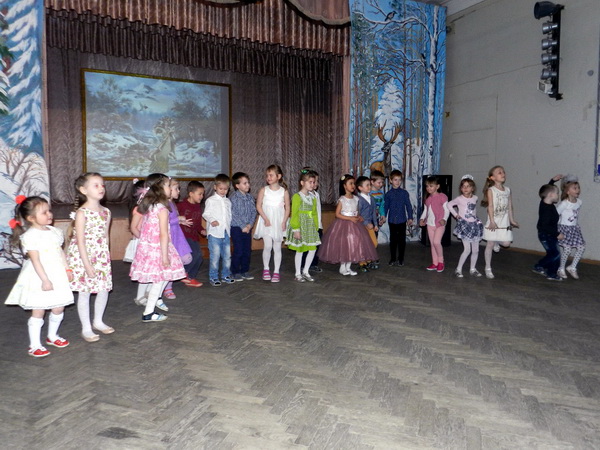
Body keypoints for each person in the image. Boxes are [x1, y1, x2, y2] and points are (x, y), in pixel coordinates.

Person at [5, 196, 74, 358]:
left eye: (49, 210)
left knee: (58, 307)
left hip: (57, 273)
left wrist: (67, 269)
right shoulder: (30, 236)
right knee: (39, 310)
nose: (49, 214)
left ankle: (53, 336)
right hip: (39, 275)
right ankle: (35, 345)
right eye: (44, 212)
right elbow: (35, 261)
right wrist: (45, 280)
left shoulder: (55, 232)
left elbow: (60, 252)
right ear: (31, 218)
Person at [130, 173, 185, 322]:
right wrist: (165, 256)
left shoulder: (148, 205)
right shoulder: (162, 209)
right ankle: (148, 312)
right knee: (160, 280)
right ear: (159, 188)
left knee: (160, 279)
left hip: (149, 248)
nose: (170, 188)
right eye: (168, 185)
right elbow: (163, 234)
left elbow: (138, 227)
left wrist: (146, 242)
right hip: (159, 249)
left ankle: (150, 304)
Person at [67, 172, 114, 342]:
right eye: (96, 185)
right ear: (83, 190)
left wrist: (106, 257)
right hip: (83, 257)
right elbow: (80, 241)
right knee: (85, 292)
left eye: (102, 185)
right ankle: (86, 328)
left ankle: (98, 321)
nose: (101, 188)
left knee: (103, 289)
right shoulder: (82, 213)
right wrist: (87, 265)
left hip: (100, 257)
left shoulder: (106, 211)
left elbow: (106, 236)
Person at [318, 174, 378, 276]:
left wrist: (359, 217)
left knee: (353, 245)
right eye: (350, 183)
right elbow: (337, 214)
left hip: (355, 225)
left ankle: (348, 267)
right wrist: (349, 218)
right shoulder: (342, 199)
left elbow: (356, 211)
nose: (353, 185)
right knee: (344, 245)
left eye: (354, 183)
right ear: (344, 186)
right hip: (343, 225)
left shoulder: (356, 198)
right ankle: (342, 267)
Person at [253, 164, 290, 283]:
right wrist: (265, 218)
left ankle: (276, 271)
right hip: (266, 222)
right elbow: (258, 206)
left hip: (278, 222)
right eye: (267, 175)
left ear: (278, 176)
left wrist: (284, 221)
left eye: (271, 175)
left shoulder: (284, 191)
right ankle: (266, 269)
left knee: (277, 247)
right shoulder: (264, 190)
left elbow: (288, 208)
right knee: (268, 246)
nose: (268, 177)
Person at [481, 166, 519, 279]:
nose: (503, 174)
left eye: (503, 172)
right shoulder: (491, 190)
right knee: (490, 244)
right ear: (492, 177)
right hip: (494, 221)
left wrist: (512, 220)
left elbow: (510, 206)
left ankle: (497, 242)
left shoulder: (508, 190)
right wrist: (492, 221)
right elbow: (490, 206)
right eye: (499, 172)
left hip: (504, 222)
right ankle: (488, 268)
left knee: (506, 243)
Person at [285, 169, 320, 282]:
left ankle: (306, 271)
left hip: (310, 227)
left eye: (313, 182)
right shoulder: (297, 196)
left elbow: (314, 213)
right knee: (300, 250)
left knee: (312, 249)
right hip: (300, 226)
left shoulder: (313, 197)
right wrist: (296, 229)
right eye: (310, 182)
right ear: (302, 183)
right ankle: (298, 273)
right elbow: (294, 214)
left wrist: (316, 226)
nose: (312, 184)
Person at [162, 178, 194, 299]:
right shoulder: (164, 205)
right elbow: (164, 222)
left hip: (177, 235)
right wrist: (178, 219)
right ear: (168, 190)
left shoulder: (172, 203)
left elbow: (172, 220)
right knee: (170, 262)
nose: (179, 191)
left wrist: (181, 221)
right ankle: (167, 287)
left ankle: (178, 271)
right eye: (176, 189)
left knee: (187, 258)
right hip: (170, 237)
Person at [446, 175, 484, 277]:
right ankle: (458, 269)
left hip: (474, 225)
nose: (465, 188)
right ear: (461, 188)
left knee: (476, 250)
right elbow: (449, 205)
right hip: (464, 225)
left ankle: (473, 269)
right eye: (463, 186)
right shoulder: (459, 199)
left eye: (468, 186)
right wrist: (456, 215)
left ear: (472, 188)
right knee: (467, 250)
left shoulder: (475, 198)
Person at [203, 174, 235, 286]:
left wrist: (229, 227)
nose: (223, 191)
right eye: (221, 188)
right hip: (215, 233)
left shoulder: (228, 201)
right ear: (215, 187)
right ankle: (214, 277)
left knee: (227, 256)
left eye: (226, 189)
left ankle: (226, 275)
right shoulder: (210, 200)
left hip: (225, 232)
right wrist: (212, 220)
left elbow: (229, 216)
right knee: (215, 257)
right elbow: (206, 213)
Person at [533, 181, 564, 281]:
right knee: (555, 254)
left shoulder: (545, 202)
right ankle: (540, 266)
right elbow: (545, 226)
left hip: (550, 234)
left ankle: (551, 273)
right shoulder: (546, 209)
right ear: (551, 195)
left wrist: (552, 180)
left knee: (554, 254)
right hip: (546, 235)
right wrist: (557, 234)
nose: (558, 195)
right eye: (557, 193)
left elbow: (546, 190)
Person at [176, 181, 205, 288]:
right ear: (191, 194)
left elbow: (197, 224)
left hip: (193, 236)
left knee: (199, 257)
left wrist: (202, 230)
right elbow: (172, 219)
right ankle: (183, 273)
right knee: (195, 255)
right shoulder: (181, 205)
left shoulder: (198, 207)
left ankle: (190, 277)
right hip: (183, 236)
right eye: (200, 194)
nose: (202, 196)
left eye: (203, 194)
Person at [229, 172, 257, 282]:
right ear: (237, 185)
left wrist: (250, 225)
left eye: (248, 182)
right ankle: (235, 272)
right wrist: (242, 226)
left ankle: (244, 270)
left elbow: (253, 212)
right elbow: (233, 214)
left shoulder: (250, 197)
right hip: (237, 228)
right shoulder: (233, 198)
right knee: (238, 250)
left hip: (247, 228)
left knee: (247, 250)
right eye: (244, 183)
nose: (248, 185)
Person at [556, 174, 585, 279]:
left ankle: (572, 267)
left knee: (581, 247)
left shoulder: (579, 202)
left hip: (574, 229)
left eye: (578, 188)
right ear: (568, 191)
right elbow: (555, 215)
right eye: (575, 188)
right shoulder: (564, 204)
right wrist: (556, 230)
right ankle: (561, 269)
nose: (578, 190)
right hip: (564, 228)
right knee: (567, 249)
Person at [419, 175, 449, 273]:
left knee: (436, 242)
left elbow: (447, 210)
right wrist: (422, 219)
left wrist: (444, 219)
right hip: (430, 224)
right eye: (427, 186)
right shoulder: (427, 199)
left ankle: (441, 261)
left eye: (431, 186)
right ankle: (435, 263)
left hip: (439, 224)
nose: (429, 188)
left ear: (437, 186)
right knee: (432, 244)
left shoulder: (442, 197)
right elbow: (425, 211)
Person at [384, 170, 413, 266]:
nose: (397, 182)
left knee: (401, 240)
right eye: (395, 180)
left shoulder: (404, 193)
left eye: (399, 180)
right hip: (392, 221)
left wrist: (410, 217)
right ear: (390, 180)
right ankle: (393, 258)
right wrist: (383, 216)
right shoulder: (388, 194)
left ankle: (401, 258)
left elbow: (408, 206)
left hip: (402, 220)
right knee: (393, 240)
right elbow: (385, 207)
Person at [302, 168, 323, 273]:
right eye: (313, 181)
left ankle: (313, 264)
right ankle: (303, 265)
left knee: (316, 246)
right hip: (309, 225)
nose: (315, 183)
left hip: (318, 225)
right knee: (306, 247)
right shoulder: (306, 196)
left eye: (316, 181)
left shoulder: (316, 194)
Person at [356, 176, 379, 272]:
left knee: (373, 243)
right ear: (360, 188)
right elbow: (357, 214)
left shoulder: (372, 198)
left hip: (370, 225)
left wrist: (375, 224)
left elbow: (373, 212)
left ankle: (368, 260)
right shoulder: (359, 199)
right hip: (361, 226)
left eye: (370, 185)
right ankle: (362, 263)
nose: (369, 187)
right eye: (367, 185)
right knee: (362, 244)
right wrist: (366, 223)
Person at [123, 178, 145, 264]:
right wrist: (142, 239)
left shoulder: (147, 208)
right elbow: (133, 227)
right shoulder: (139, 209)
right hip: (140, 240)